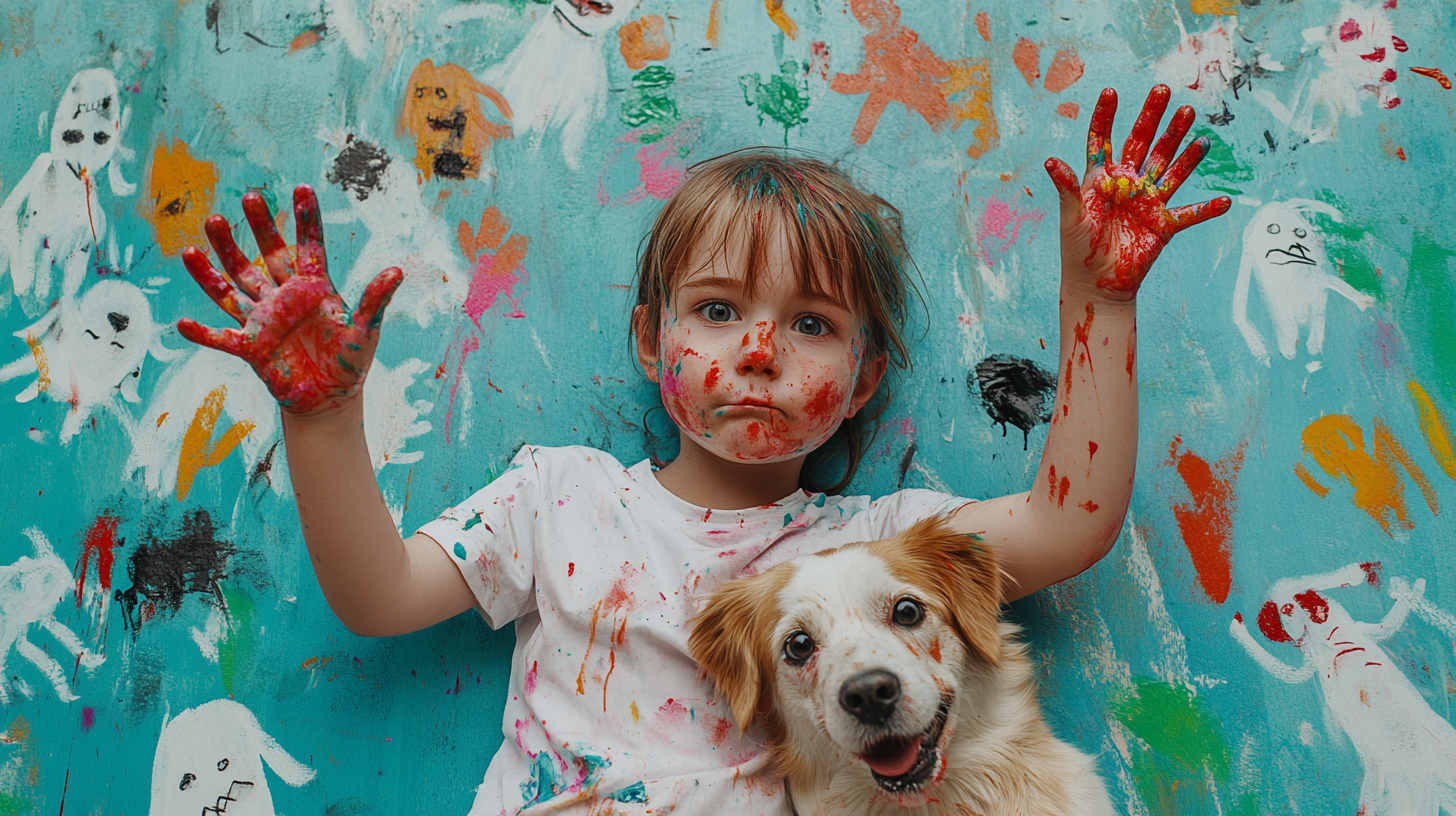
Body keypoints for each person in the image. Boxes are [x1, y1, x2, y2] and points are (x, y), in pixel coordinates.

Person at [176, 85, 1229, 815]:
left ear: (864, 381)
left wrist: (1099, 299)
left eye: (812, 324)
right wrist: (319, 418)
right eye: (718, 310)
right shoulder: (559, 498)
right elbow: (378, 598)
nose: (761, 349)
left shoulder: (879, 553)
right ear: (651, 341)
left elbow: (1069, 519)